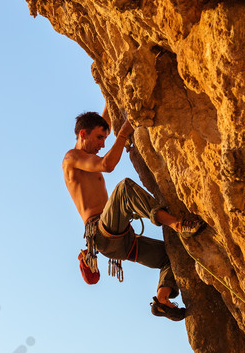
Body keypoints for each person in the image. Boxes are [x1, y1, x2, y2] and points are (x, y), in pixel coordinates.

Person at [62, 108, 205, 320]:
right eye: (99, 138)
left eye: (104, 138)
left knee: (172, 254)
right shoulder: (72, 158)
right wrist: (122, 134)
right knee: (123, 189)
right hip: (102, 232)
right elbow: (107, 165)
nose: (102, 144)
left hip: (120, 239)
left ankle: (162, 299)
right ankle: (175, 223)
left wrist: (108, 96)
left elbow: (104, 120)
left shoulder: (86, 155)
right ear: (83, 134)